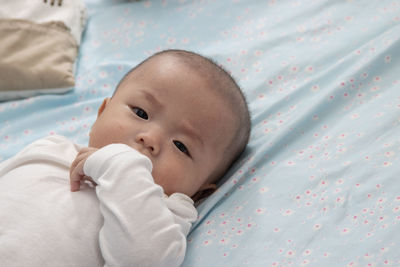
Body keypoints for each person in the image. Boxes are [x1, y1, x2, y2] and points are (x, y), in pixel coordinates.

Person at [0, 49, 251, 267]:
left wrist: (120, 164)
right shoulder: (51, 148)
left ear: (200, 192)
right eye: (141, 112)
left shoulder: (166, 211)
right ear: (102, 112)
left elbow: (141, 261)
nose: (150, 138)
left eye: (181, 146)